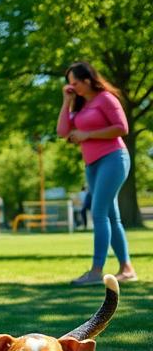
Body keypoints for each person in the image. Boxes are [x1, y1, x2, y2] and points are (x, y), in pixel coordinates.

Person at [56, 61, 137, 284]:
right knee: (112, 216)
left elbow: (122, 128)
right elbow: (63, 131)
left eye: (75, 83)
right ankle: (127, 268)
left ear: (88, 80)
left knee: (98, 212)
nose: (72, 87)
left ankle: (95, 271)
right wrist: (67, 102)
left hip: (113, 158)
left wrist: (87, 135)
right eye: (69, 84)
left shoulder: (106, 99)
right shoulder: (80, 105)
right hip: (92, 164)